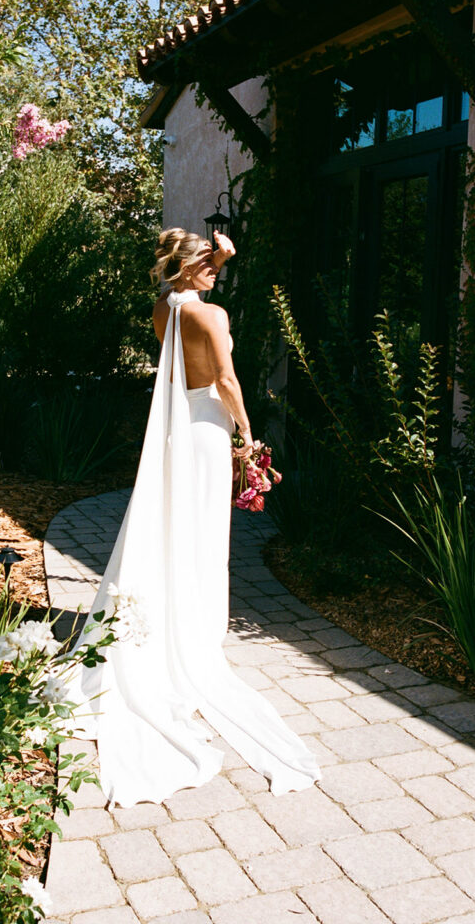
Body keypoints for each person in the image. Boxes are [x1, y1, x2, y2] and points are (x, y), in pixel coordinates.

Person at [63, 227, 321, 808]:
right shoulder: (213, 316)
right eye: (209, 263)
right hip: (207, 427)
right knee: (204, 536)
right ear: (191, 266)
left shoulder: (165, 308)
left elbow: (192, 298)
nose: (217, 270)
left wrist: (217, 256)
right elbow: (226, 380)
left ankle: (171, 615)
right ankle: (194, 631)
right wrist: (250, 434)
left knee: (172, 525)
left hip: (177, 427)